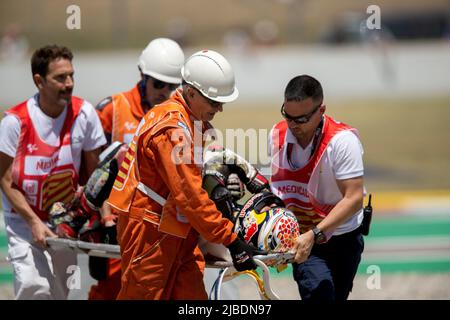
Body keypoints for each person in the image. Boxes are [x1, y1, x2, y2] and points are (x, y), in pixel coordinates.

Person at [108, 49, 261, 300]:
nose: (220, 108)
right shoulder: (172, 129)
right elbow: (189, 195)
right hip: (150, 232)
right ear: (191, 93)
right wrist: (231, 241)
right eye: (214, 102)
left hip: (177, 231)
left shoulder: (188, 121)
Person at [0, 45, 106, 299]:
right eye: (60, 77)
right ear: (39, 80)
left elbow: (96, 176)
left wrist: (102, 218)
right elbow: (4, 180)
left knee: (60, 293)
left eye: (71, 75)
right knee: (34, 288)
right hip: (24, 222)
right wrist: (34, 222)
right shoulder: (15, 122)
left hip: (65, 223)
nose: (69, 83)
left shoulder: (84, 114)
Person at [89, 37, 185, 300]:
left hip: (162, 225)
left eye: (173, 85)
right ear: (142, 75)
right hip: (115, 225)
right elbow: (90, 171)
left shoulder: (180, 115)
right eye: (158, 83)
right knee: (110, 290)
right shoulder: (112, 109)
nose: (165, 91)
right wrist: (102, 215)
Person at [269, 75, 365, 301]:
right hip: (304, 240)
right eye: (287, 116)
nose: (292, 125)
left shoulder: (342, 141)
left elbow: (354, 199)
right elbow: (275, 188)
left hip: (343, 237)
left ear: (321, 110)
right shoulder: (277, 134)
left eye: (301, 119)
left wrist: (317, 233)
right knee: (320, 295)